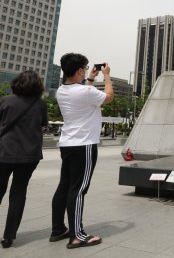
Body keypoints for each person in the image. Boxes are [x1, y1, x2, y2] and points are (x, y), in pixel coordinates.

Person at [0, 71, 48, 248]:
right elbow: (43, 126)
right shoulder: (41, 105)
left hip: (3, 152)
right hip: (29, 154)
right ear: (37, 86)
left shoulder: (5, 100)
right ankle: (8, 237)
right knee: (18, 192)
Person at [50, 53, 113, 249]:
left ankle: (58, 229)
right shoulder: (85, 92)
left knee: (64, 186)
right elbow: (108, 97)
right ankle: (77, 235)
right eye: (84, 69)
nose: (86, 71)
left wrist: (92, 78)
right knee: (78, 190)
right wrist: (107, 76)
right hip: (84, 145)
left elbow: (87, 96)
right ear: (78, 71)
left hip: (68, 144)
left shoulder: (61, 90)